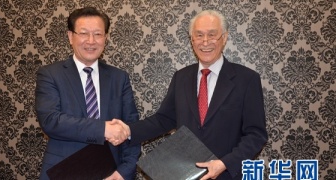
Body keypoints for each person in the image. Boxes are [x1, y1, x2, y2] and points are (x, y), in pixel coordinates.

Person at [110, 10, 268, 179]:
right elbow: (164, 119)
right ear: (192, 39)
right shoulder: (181, 77)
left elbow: (256, 135)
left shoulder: (247, 79)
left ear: (224, 37)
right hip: (185, 174)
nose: (205, 41)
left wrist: (224, 163)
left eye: (212, 35)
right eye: (199, 35)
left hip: (227, 175)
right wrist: (128, 130)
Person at [35, 7, 140, 180]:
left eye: (98, 34)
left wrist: (124, 172)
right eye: (84, 33)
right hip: (64, 171)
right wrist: (103, 129)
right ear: (70, 37)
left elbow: (132, 129)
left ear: (105, 38)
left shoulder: (119, 78)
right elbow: (51, 121)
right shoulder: (50, 74)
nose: (91, 41)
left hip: (111, 173)